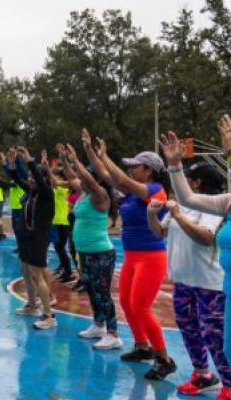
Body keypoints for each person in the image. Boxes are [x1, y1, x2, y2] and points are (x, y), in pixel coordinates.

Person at [83, 128, 177, 380]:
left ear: (149, 170)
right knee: (126, 302)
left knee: (141, 306)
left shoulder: (156, 190)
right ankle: (142, 346)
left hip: (151, 257)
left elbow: (122, 181)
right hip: (133, 257)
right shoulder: (134, 194)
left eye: (136, 166)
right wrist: (94, 153)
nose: (131, 169)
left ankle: (164, 358)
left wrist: (105, 157)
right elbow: (106, 176)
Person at [161, 123, 231, 400]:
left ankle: (230, 388)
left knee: (222, 343)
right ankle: (217, 383)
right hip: (227, 290)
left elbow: (206, 237)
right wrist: (174, 165)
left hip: (214, 286)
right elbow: (187, 197)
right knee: (223, 345)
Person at [58, 143, 122, 350]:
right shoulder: (84, 194)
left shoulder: (100, 195)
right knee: (92, 291)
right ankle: (98, 324)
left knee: (103, 293)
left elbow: (85, 179)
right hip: (85, 252)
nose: (81, 180)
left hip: (101, 252)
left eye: (87, 177)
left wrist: (77, 158)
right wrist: (64, 159)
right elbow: (72, 177)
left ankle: (113, 333)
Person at [6, 147, 57, 330]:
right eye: (30, 178)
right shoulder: (32, 192)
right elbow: (17, 179)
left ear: (42, 180)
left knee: (37, 275)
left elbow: (40, 180)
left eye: (34, 178)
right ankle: (32, 305)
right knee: (26, 273)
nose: (30, 180)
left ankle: (49, 315)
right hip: (25, 238)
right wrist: (12, 165)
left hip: (37, 239)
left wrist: (29, 160)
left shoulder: (46, 194)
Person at [49, 168, 75, 283]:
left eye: (56, 176)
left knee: (61, 248)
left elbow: (55, 183)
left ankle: (69, 272)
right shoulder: (55, 189)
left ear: (62, 179)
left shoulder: (62, 189)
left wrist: (48, 169)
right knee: (58, 248)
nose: (53, 179)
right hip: (56, 222)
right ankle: (65, 269)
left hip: (62, 222)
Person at [2, 151, 27, 253]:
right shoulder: (14, 180)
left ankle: (23, 246)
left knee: (19, 229)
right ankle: (20, 246)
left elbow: (7, 183)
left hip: (20, 207)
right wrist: (5, 163)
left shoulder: (18, 181)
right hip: (14, 207)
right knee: (16, 228)